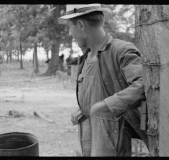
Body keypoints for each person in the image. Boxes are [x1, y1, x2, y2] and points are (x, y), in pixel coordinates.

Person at [59, 4, 148, 157]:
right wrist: (85, 110)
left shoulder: (121, 50)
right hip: (90, 136)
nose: (69, 33)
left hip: (116, 143)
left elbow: (144, 84)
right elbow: (96, 93)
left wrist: (106, 105)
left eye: (69, 27)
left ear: (80, 25)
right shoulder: (86, 57)